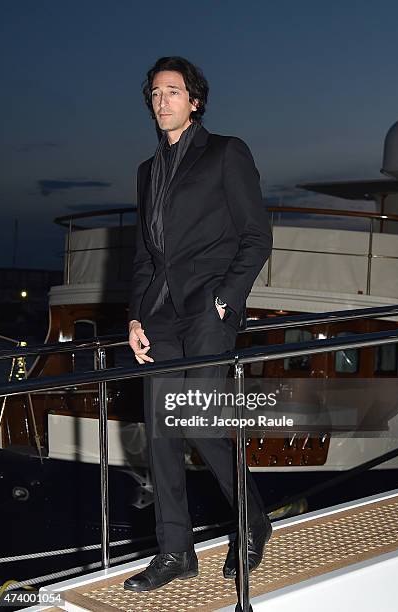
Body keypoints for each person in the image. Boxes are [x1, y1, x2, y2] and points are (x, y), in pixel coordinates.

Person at [124, 56, 273, 592]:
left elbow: (257, 236)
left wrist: (225, 301)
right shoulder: (147, 171)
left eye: (172, 91)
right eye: (155, 92)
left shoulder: (226, 153)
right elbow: (145, 254)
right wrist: (136, 316)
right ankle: (175, 552)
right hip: (160, 315)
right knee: (161, 430)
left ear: (195, 101)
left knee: (205, 423)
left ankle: (252, 520)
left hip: (207, 310)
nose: (161, 100)